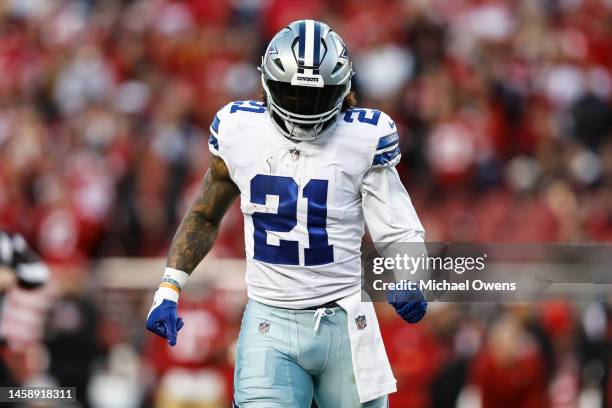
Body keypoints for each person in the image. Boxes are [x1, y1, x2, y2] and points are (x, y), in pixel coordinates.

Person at [147, 20, 427, 407]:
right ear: (268, 83)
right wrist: (169, 287)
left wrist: (411, 276)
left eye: (316, 96)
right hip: (270, 320)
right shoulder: (240, 129)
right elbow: (204, 216)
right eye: (293, 95)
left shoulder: (364, 138)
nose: (305, 108)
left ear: (342, 88)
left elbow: (397, 229)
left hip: (347, 319)